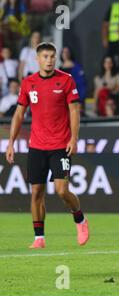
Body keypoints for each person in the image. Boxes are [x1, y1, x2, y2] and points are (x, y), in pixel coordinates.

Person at [5, 42, 90, 249]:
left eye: (52, 56)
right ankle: (39, 238)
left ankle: (80, 219)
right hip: (36, 146)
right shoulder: (28, 83)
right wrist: (11, 143)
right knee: (36, 192)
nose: (49, 60)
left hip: (61, 144)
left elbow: (74, 111)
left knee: (61, 190)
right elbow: (19, 114)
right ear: (38, 59)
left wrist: (74, 138)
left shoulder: (66, 80)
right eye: (45, 56)